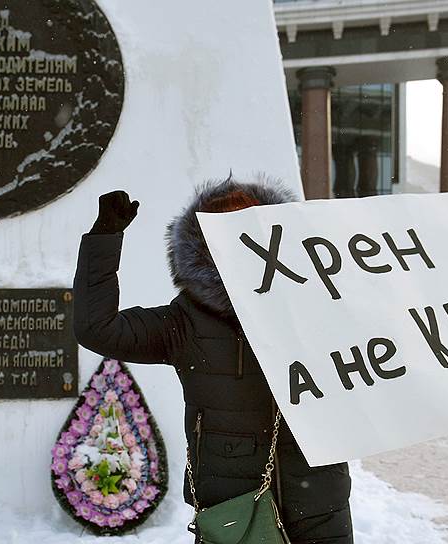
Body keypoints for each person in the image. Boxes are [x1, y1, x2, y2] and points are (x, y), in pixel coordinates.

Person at [73, 179, 354, 543]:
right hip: (233, 514)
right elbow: (98, 330)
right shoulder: (186, 321)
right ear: (205, 246)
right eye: (228, 231)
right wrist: (104, 239)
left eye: (253, 228)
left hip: (320, 505)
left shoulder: (321, 300)